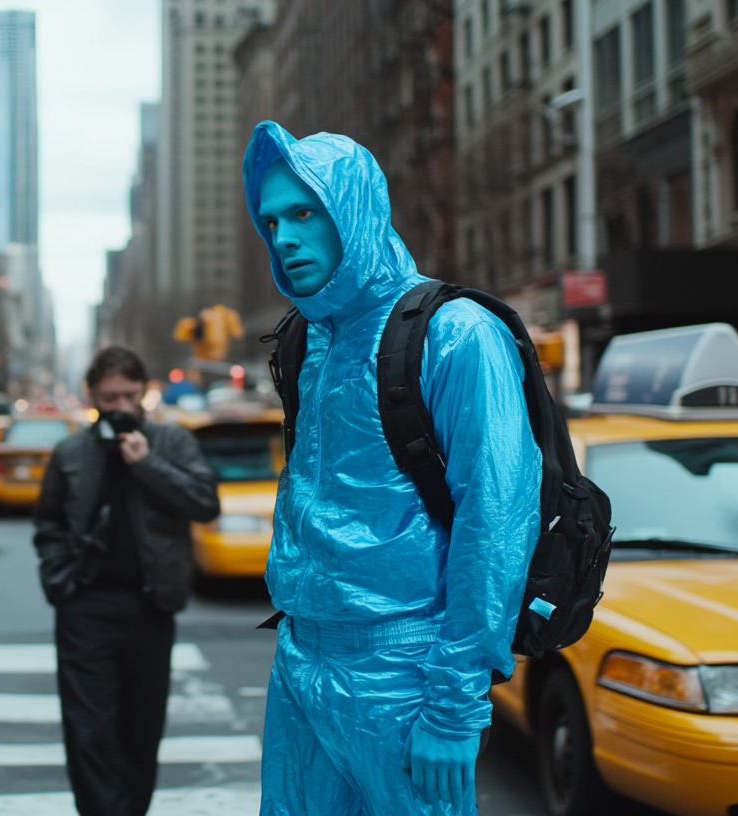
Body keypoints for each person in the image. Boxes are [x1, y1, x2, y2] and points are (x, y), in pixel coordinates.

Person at [244, 122, 541, 816]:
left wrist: (454, 705)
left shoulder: (457, 333)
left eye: (304, 212)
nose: (284, 236)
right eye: (272, 220)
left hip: (404, 669)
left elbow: (496, 516)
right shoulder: (304, 341)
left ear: (351, 210)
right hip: (299, 657)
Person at [32, 347, 221, 816]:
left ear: (144, 393)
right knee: (88, 732)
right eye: (109, 397)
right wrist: (61, 582)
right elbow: (48, 525)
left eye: (129, 396)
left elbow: (205, 503)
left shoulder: (171, 443)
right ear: (92, 395)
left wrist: (146, 464)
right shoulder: (71, 451)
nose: (119, 407)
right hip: (85, 608)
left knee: (141, 730)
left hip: (150, 606)